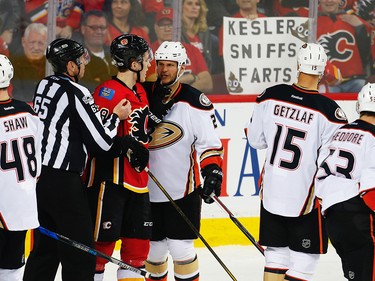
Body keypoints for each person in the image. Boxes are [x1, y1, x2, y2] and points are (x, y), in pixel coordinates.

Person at [23, 38, 132, 281]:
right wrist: (116, 117)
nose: (83, 65)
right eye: (80, 61)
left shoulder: (44, 85)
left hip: (40, 180)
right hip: (64, 184)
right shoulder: (77, 91)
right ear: (71, 66)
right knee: (80, 256)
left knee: (44, 251)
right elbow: (102, 142)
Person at [246, 43, 348, 281]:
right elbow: (332, 165)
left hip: (271, 192)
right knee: (304, 261)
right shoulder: (331, 113)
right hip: (306, 198)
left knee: (275, 257)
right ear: (323, 71)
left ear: (298, 65)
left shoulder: (269, 96)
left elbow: (255, 140)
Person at [143, 41, 224, 281]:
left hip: (182, 190)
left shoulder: (195, 101)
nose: (164, 70)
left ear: (181, 68)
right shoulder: (143, 93)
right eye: (161, 64)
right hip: (146, 191)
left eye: (170, 65)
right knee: (154, 252)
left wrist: (212, 173)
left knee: (181, 250)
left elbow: (209, 145)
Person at [86, 34, 152, 281]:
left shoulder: (141, 92)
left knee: (136, 255)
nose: (149, 63)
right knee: (100, 253)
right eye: (145, 59)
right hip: (111, 184)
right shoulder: (106, 92)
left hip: (139, 184)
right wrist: (123, 144)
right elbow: (96, 143)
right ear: (134, 63)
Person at [315, 82, 375, 281]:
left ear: (359, 106)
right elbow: (370, 189)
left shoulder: (340, 132)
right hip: (359, 217)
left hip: (333, 218)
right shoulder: (373, 137)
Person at [0, 54, 42, 281]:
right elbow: (37, 167)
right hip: (22, 208)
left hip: (2, 206)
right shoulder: (29, 113)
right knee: (12, 270)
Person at [148, 7, 213, 93]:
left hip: (187, 103)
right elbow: (155, 85)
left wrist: (184, 93)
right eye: (162, 25)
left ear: (178, 27)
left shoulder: (192, 50)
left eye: (170, 25)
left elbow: (208, 84)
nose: (167, 29)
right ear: (155, 27)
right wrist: (191, 78)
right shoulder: (148, 53)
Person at [317, 0, 372, 93]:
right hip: (325, 82)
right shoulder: (311, 23)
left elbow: (367, 53)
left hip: (355, 81)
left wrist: (361, 28)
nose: (329, 1)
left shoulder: (356, 21)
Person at [77, 10, 116, 92]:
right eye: (94, 28)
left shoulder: (115, 54)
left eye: (102, 27)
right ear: (83, 29)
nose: (99, 32)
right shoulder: (76, 58)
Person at [10, 22, 48, 103]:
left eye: (40, 43)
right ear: (24, 42)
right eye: (32, 42)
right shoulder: (12, 64)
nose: (36, 47)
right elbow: (17, 94)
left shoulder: (52, 64)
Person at [181, 0, 216, 74]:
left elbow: (208, 60)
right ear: (181, 7)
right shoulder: (176, 32)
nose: (194, 7)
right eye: (189, 4)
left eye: (197, 4)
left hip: (203, 76)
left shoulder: (204, 33)